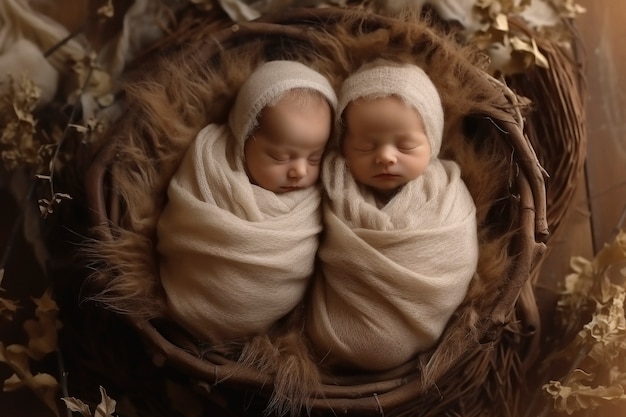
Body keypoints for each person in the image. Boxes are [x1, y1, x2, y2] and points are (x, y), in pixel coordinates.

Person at [306, 60, 479, 371]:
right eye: (365, 146)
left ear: (433, 144)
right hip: (338, 322)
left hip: (420, 318)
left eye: (406, 145)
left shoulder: (446, 194)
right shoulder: (333, 184)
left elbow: (456, 252)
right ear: (343, 146)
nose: (385, 157)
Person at [156, 60, 337, 347]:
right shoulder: (210, 164)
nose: (300, 171)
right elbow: (183, 219)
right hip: (192, 289)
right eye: (280, 157)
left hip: (265, 318)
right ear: (243, 136)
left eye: (314, 157)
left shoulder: (316, 196)